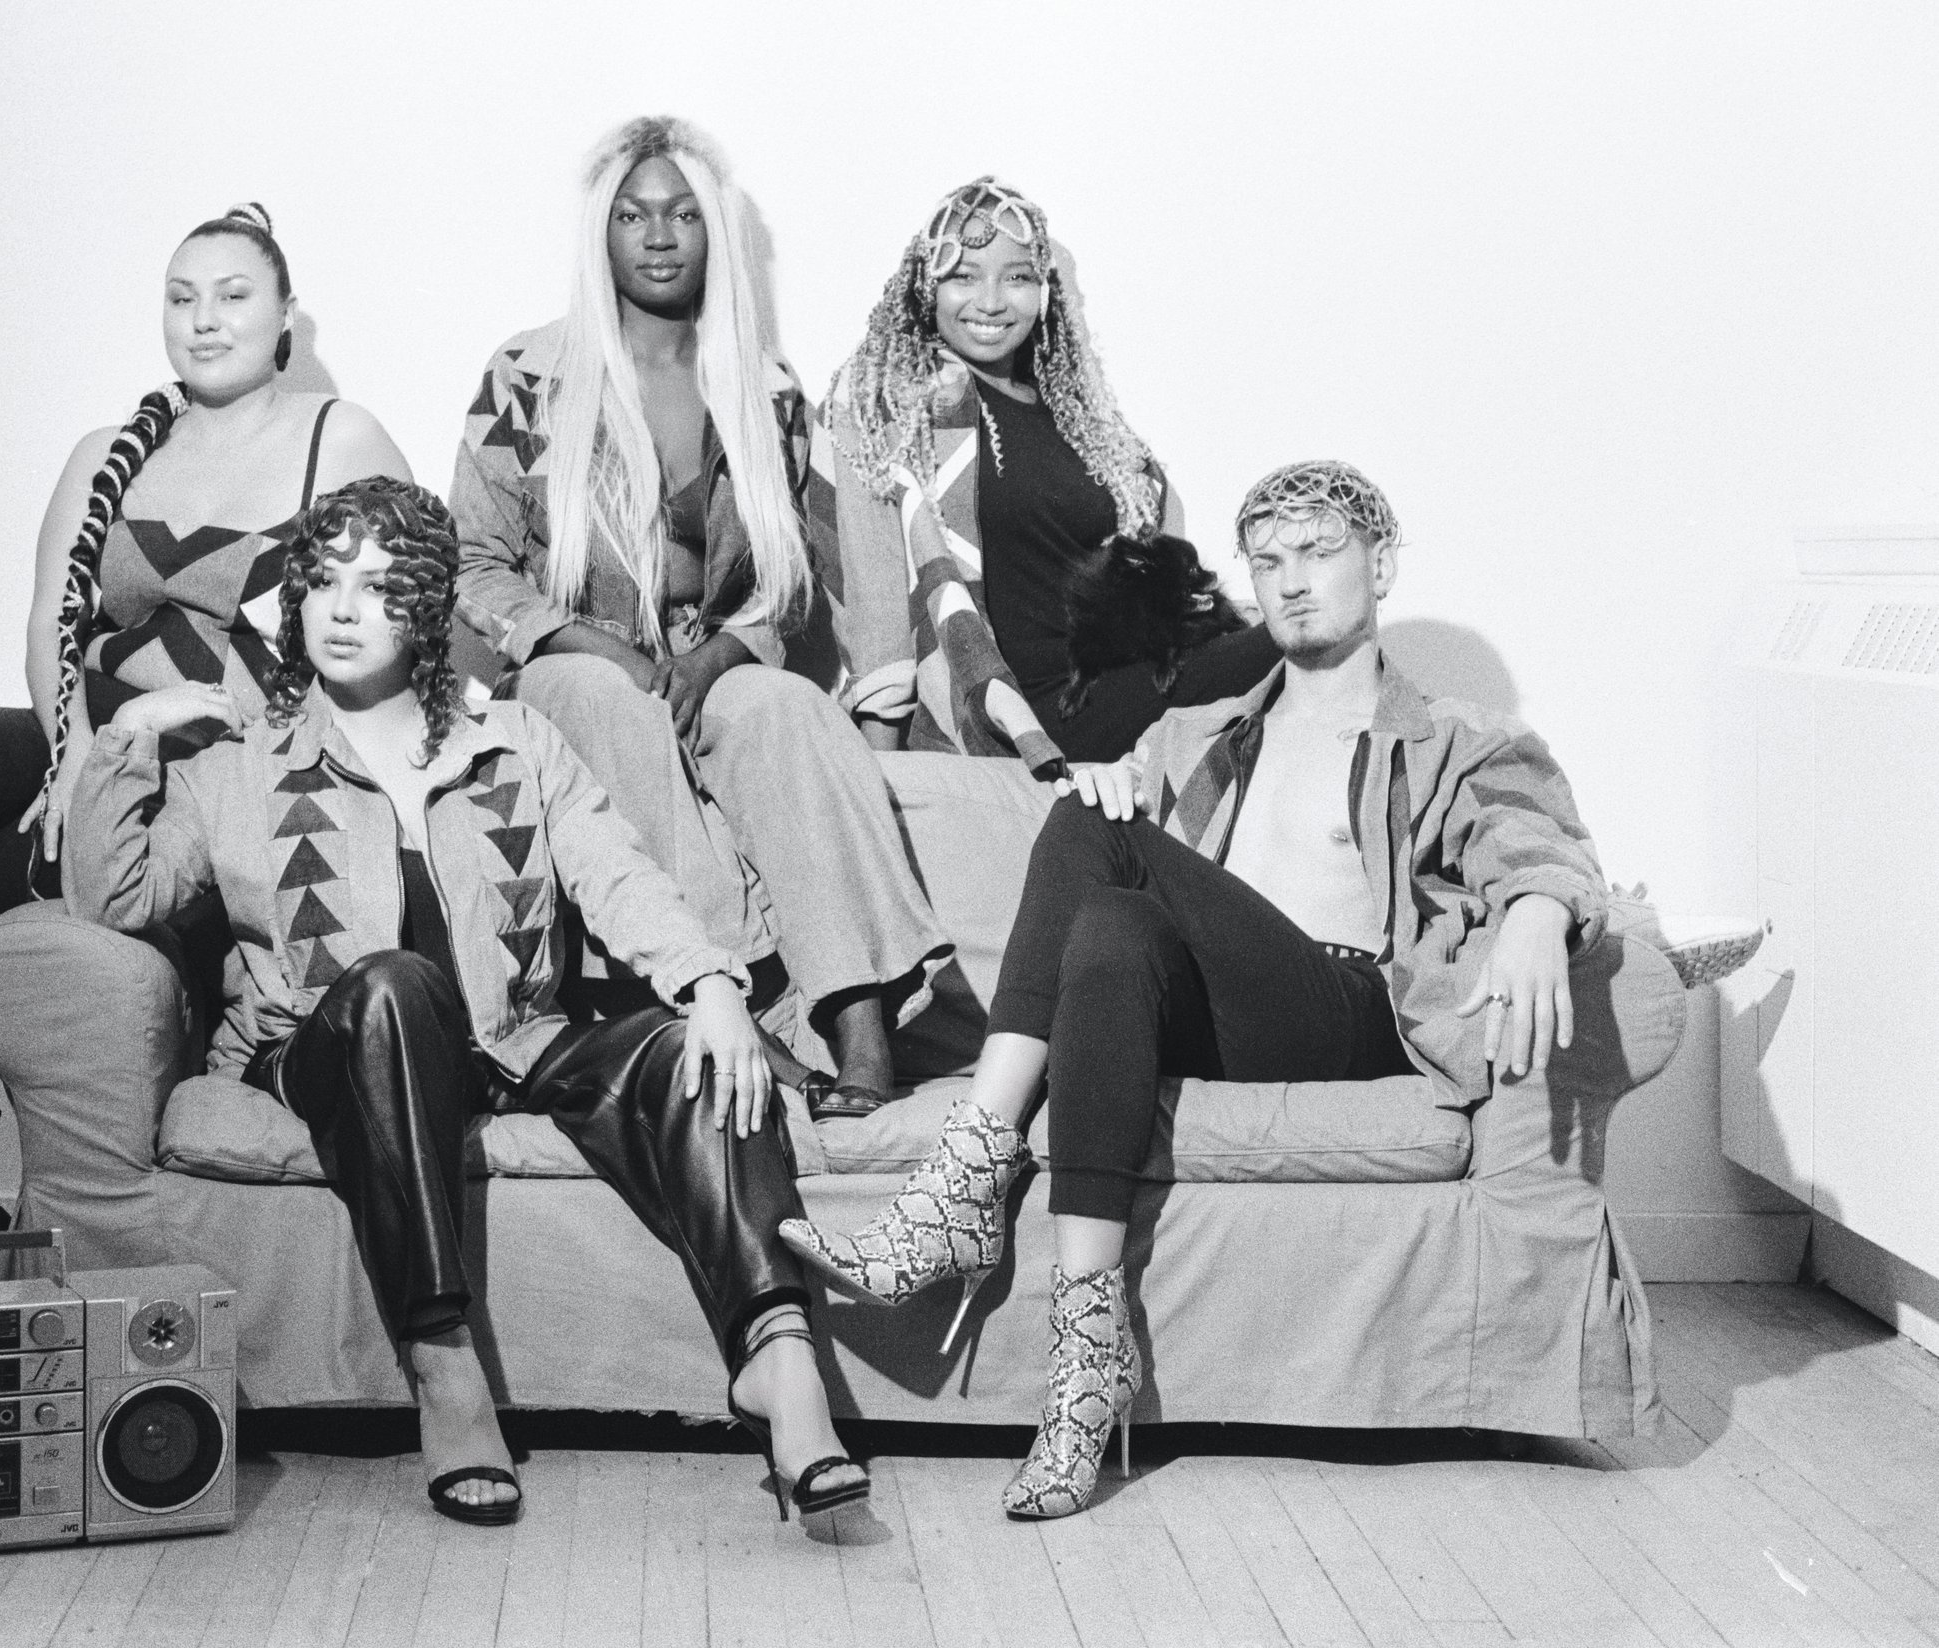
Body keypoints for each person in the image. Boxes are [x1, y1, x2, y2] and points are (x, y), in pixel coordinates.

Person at [782, 461, 1615, 1520]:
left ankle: (959, 1189)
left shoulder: (1452, 735)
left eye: (1319, 553)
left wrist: (1540, 909)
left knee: (1094, 827)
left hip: (1345, 1009)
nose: (1293, 582)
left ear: (1382, 563)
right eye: (1269, 563)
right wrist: (1110, 773)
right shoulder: (1198, 731)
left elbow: (1531, 833)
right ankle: (1086, 1368)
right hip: (1215, 1011)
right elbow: (1121, 890)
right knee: (1112, 915)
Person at [69, 476, 869, 1527]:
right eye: (324, 583)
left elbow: (617, 876)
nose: (345, 608)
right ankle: (444, 1368)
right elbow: (112, 896)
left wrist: (714, 984)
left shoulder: (516, 741)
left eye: (381, 584)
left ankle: (780, 1361)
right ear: (295, 602)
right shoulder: (239, 762)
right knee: (395, 987)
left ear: (430, 605)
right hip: (326, 1040)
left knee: (698, 1048)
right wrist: (132, 731)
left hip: (509, 1039)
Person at [0, 204, 410, 1287]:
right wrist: (76, 758)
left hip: (224, 780)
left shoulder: (341, 438)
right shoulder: (109, 451)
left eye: (232, 294)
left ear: (285, 314)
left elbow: (397, 619)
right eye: (180, 297)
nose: (204, 318)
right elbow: (51, 629)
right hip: (93, 751)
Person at [452, 115, 949, 1117]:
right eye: (633, 215)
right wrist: (580, 638)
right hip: (567, 661)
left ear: (712, 233)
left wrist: (726, 649)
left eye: (682, 213)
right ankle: (728, 1000)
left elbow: (787, 576)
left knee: (789, 711)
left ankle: (859, 1018)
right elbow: (473, 563)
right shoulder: (525, 375)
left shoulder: (762, 387)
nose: (658, 234)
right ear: (602, 234)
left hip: (703, 660)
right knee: (600, 695)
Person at [811, 176, 1280, 773]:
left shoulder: (1078, 418)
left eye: (1017, 276)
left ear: (1044, 290)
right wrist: (885, 775)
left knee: (1317, 638)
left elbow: (1158, 556)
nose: (991, 300)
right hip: (1037, 709)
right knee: (1303, 638)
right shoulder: (896, 404)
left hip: (1132, 675)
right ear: (925, 288)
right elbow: (875, 597)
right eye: (963, 275)